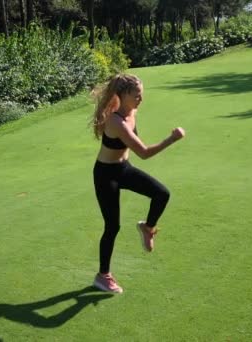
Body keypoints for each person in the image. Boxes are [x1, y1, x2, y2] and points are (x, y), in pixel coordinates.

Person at [90, 74, 186, 294]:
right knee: (112, 226)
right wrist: (171, 139)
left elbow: (133, 152)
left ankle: (147, 227)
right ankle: (103, 276)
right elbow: (143, 152)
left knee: (162, 193)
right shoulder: (116, 122)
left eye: (142, 94)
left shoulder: (131, 111)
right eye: (137, 95)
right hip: (106, 175)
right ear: (123, 96)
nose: (141, 99)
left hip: (124, 168)